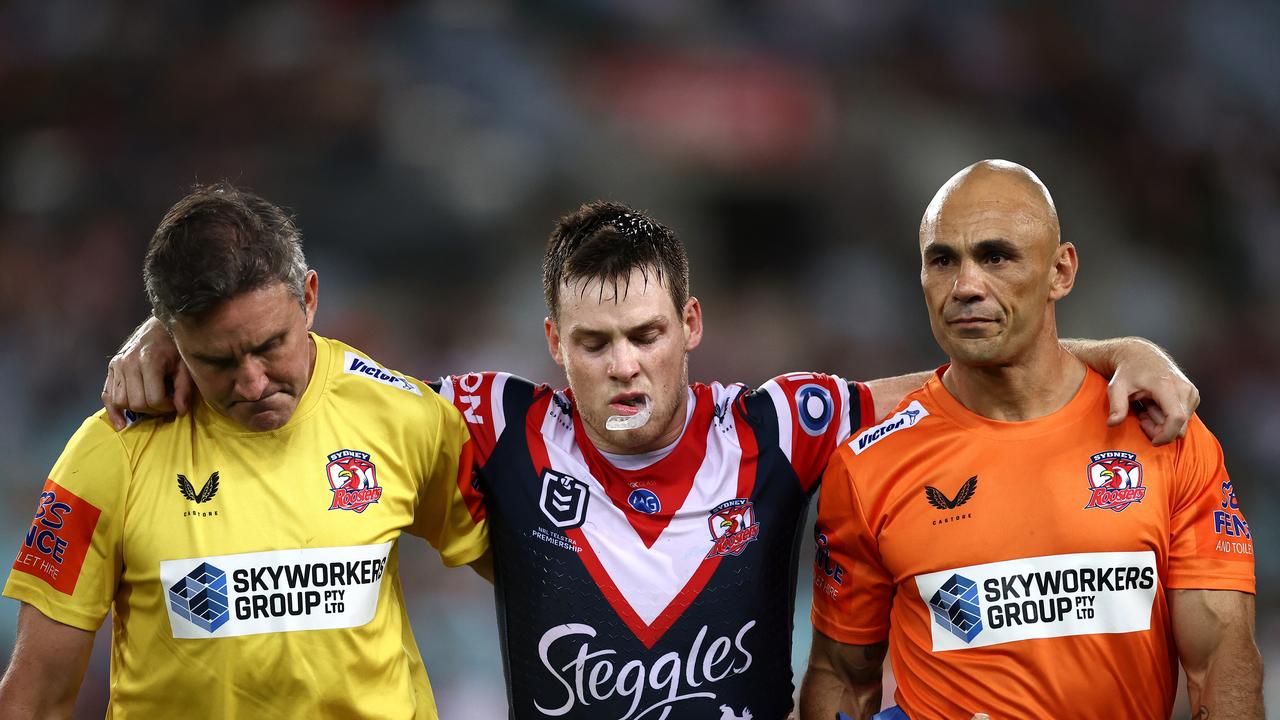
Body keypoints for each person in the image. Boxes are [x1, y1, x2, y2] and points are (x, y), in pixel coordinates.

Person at [98, 200, 1199, 719]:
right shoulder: (486, 422)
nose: (622, 366)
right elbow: (310, 392)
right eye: (592, 342)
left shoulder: (778, 424)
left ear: (690, 325)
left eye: (643, 336)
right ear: (551, 347)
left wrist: (1110, 350)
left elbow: (960, 383)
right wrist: (166, 340)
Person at [0, 184, 488, 718]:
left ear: (311, 297)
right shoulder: (110, 452)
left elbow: (536, 567)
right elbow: (36, 696)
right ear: (175, 341)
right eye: (218, 361)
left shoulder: (405, 416)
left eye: (269, 346)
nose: (253, 384)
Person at [800, 160, 1262, 719]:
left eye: (996, 256)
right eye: (942, 260)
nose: (966, 286)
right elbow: (842, 677)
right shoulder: (868, 465)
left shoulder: (1165, 433)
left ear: (1061, 271)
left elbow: (1221, 661)